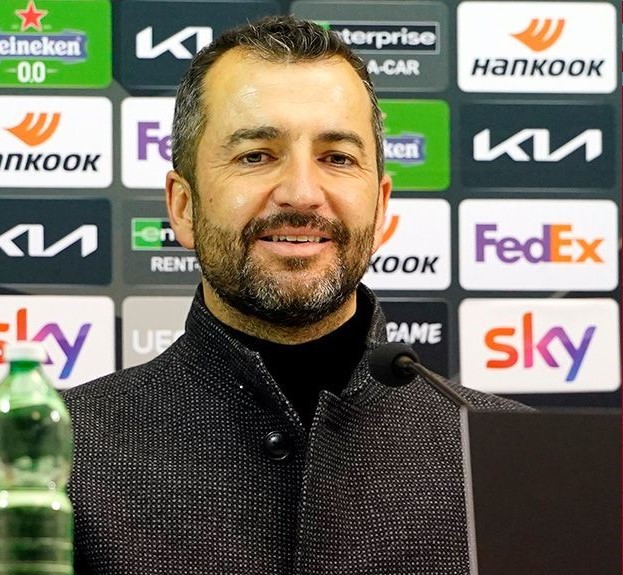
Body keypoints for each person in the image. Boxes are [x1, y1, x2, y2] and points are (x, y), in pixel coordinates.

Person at [62, 15, 529, 575]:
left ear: (381, 205)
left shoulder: (514, 458)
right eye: (256, 155)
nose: (302, 193)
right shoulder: (55, 454)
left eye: (337, 158)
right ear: (183, 206)